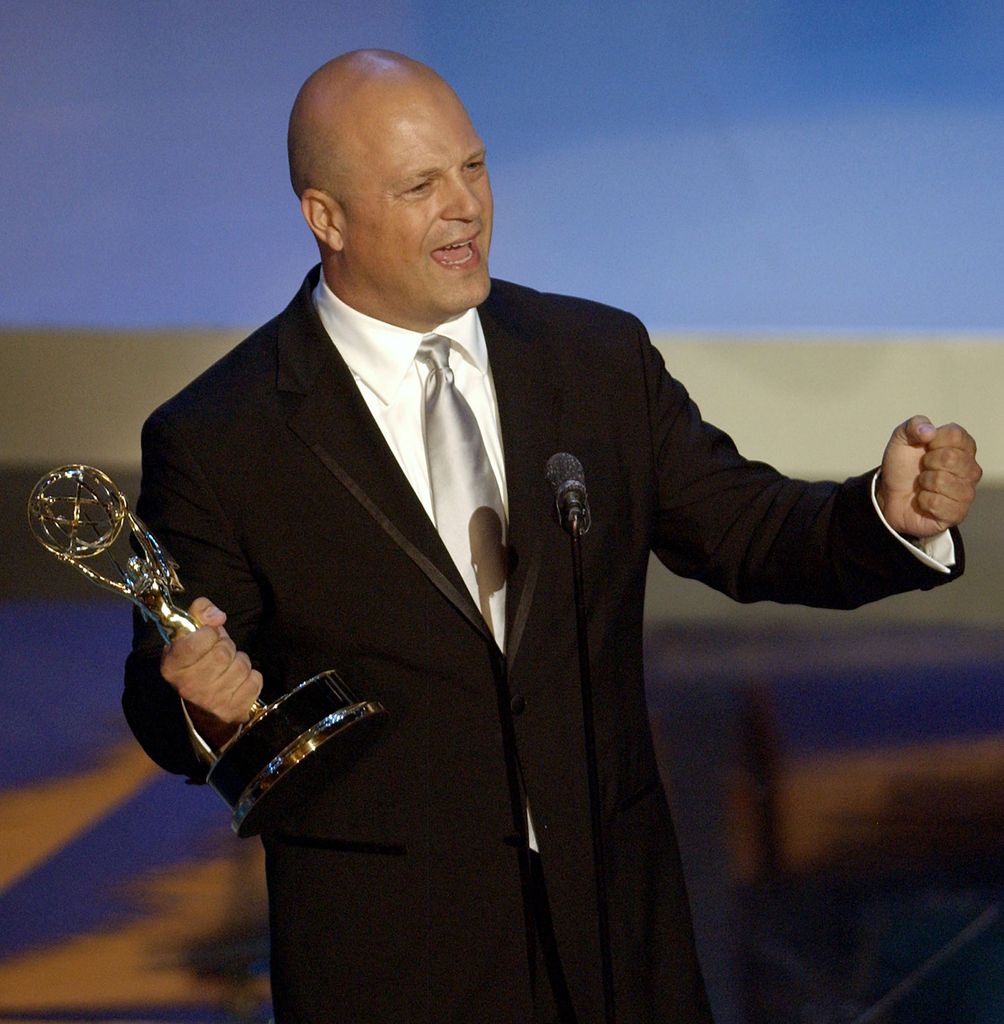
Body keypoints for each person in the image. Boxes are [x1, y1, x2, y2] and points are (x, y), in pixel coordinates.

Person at [123, 50, 982, 1024]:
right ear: (326, 216)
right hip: (394, 963)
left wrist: (879, 512)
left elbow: (743, 526)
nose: (465, 207)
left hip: (617, 938)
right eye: (420, 184)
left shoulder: (592, 358)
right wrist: (208, 706)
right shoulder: (224, 434)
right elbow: (170, 685)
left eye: (474, 167)